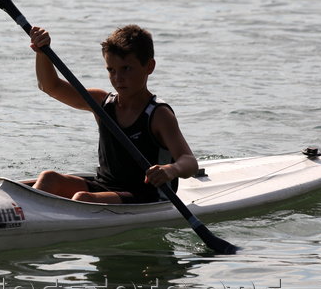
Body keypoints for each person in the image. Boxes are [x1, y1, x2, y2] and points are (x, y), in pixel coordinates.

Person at [29, 24, 198, 204]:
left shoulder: (159, 114)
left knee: (82, 199)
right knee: (48, 178)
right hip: (105, 186)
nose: (118, 78)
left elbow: (189, 162)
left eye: (126, 68)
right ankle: (24, 221)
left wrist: (171, 170)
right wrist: (42, 53)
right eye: (111, 70)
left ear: (149, 66)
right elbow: (51, 87)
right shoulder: (102, 104)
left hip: (147, 195)